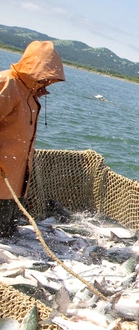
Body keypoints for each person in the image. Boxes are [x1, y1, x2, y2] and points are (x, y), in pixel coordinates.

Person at [0, 41, 65, 237]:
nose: (47, 80)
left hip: (15, 182)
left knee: (8, 235)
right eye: (45, 74)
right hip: (2, 176)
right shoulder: (8, 83)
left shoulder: (30, 92)